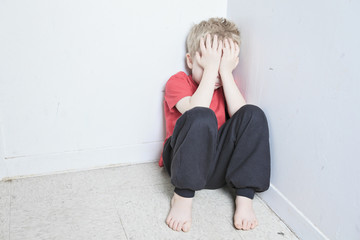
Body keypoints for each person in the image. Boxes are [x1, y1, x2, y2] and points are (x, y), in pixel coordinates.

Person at [159, 17, 270, 232]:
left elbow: (243, 119)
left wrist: (225, 72)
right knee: (202, 116)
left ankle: (245, 198)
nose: (215, 74)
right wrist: (211, 70)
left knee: (253, 114)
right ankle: (182, 197)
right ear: (190, 60)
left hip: (216, 165)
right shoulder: (178, 82)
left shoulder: (226, 85)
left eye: (221, 67)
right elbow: (194, 110)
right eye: (208, 65)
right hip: (182, 161)